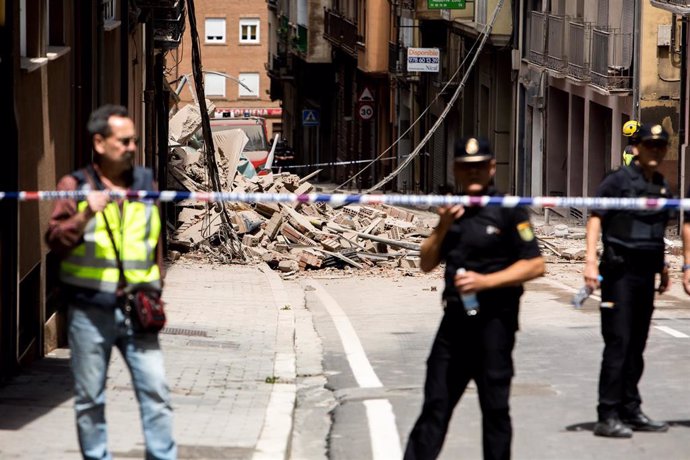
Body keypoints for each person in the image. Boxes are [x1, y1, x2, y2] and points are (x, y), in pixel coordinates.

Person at [45, 104, 176, 459]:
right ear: (100, 143)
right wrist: (88, 212)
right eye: (124, 141)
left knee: (157, 394)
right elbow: (55, 240)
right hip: (90, 310)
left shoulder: (147, 183)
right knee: (90, 399)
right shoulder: (75, 186)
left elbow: (155, 240)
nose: (132, 147)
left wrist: (156, 287)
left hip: (139, 308)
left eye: (134, 140)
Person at [404, 138, 545, 460]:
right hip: (454, 325)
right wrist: (442, 226)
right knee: (435, 406)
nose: (474, 173)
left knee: (495, 411)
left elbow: (536, 264)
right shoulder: (452, 210)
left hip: (495, 324)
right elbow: (426, 263)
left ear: (492, 168)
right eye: (467, 168)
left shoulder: (509, 210)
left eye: (480, 166)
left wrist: (486, 282)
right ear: (456, 170)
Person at [583, 123, 671, 439]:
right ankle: (607, 414)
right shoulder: (617, 181)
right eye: (650, 146)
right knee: (618, 343)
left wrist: (664, 267)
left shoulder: (661, 186)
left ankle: (630, 409)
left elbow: (656, 231)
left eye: (661, 147)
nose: (656, 152)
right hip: (619, 274)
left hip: (646, 275)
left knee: (637, 345)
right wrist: (590, 260)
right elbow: (596, 218)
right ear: (638, 148)